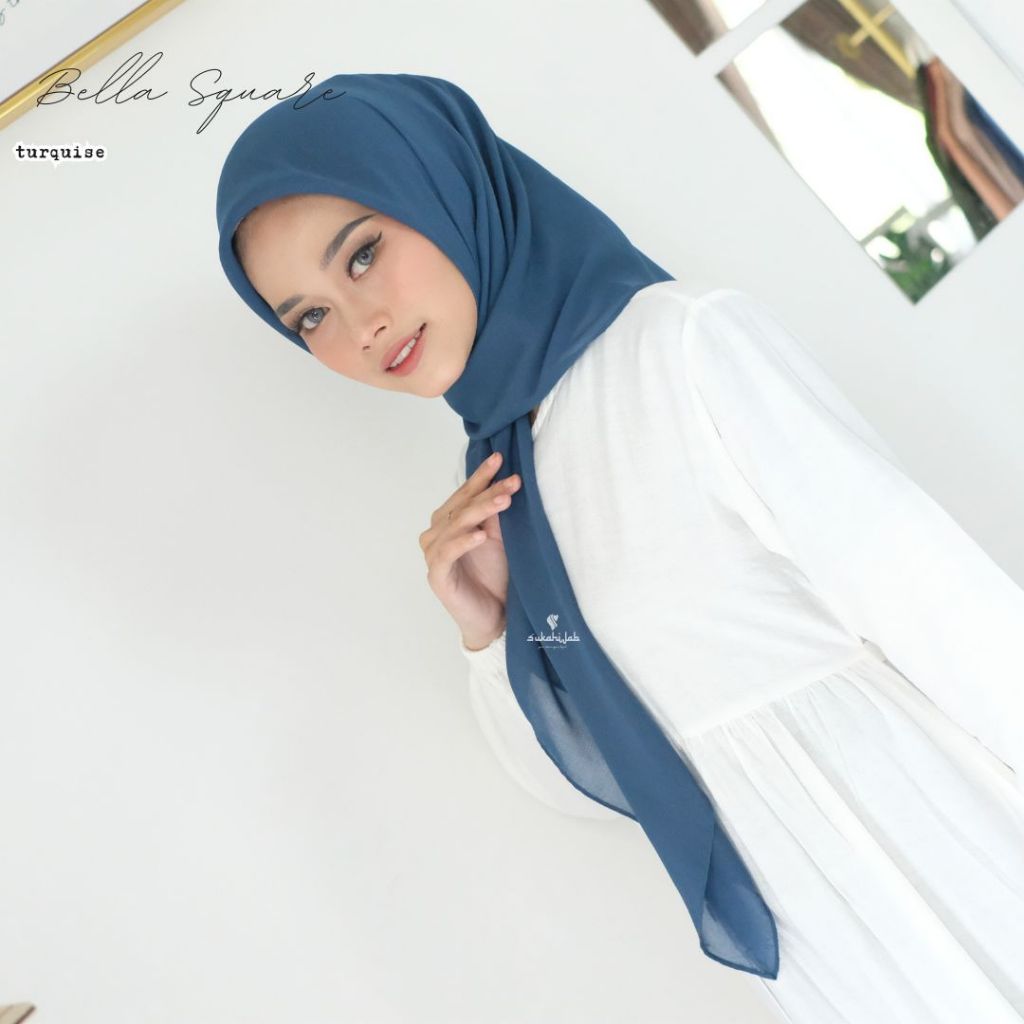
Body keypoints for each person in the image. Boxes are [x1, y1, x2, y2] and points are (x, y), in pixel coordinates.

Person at [216, 72, 1024, 1022]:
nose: (359, 327)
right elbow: (590, 783)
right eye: (309, 317)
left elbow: (945, 606)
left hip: (939, 839)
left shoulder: (678, 345)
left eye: (362, 255)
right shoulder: (502, 478)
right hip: (820, 935)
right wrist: (486, 633)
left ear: (447, 190)